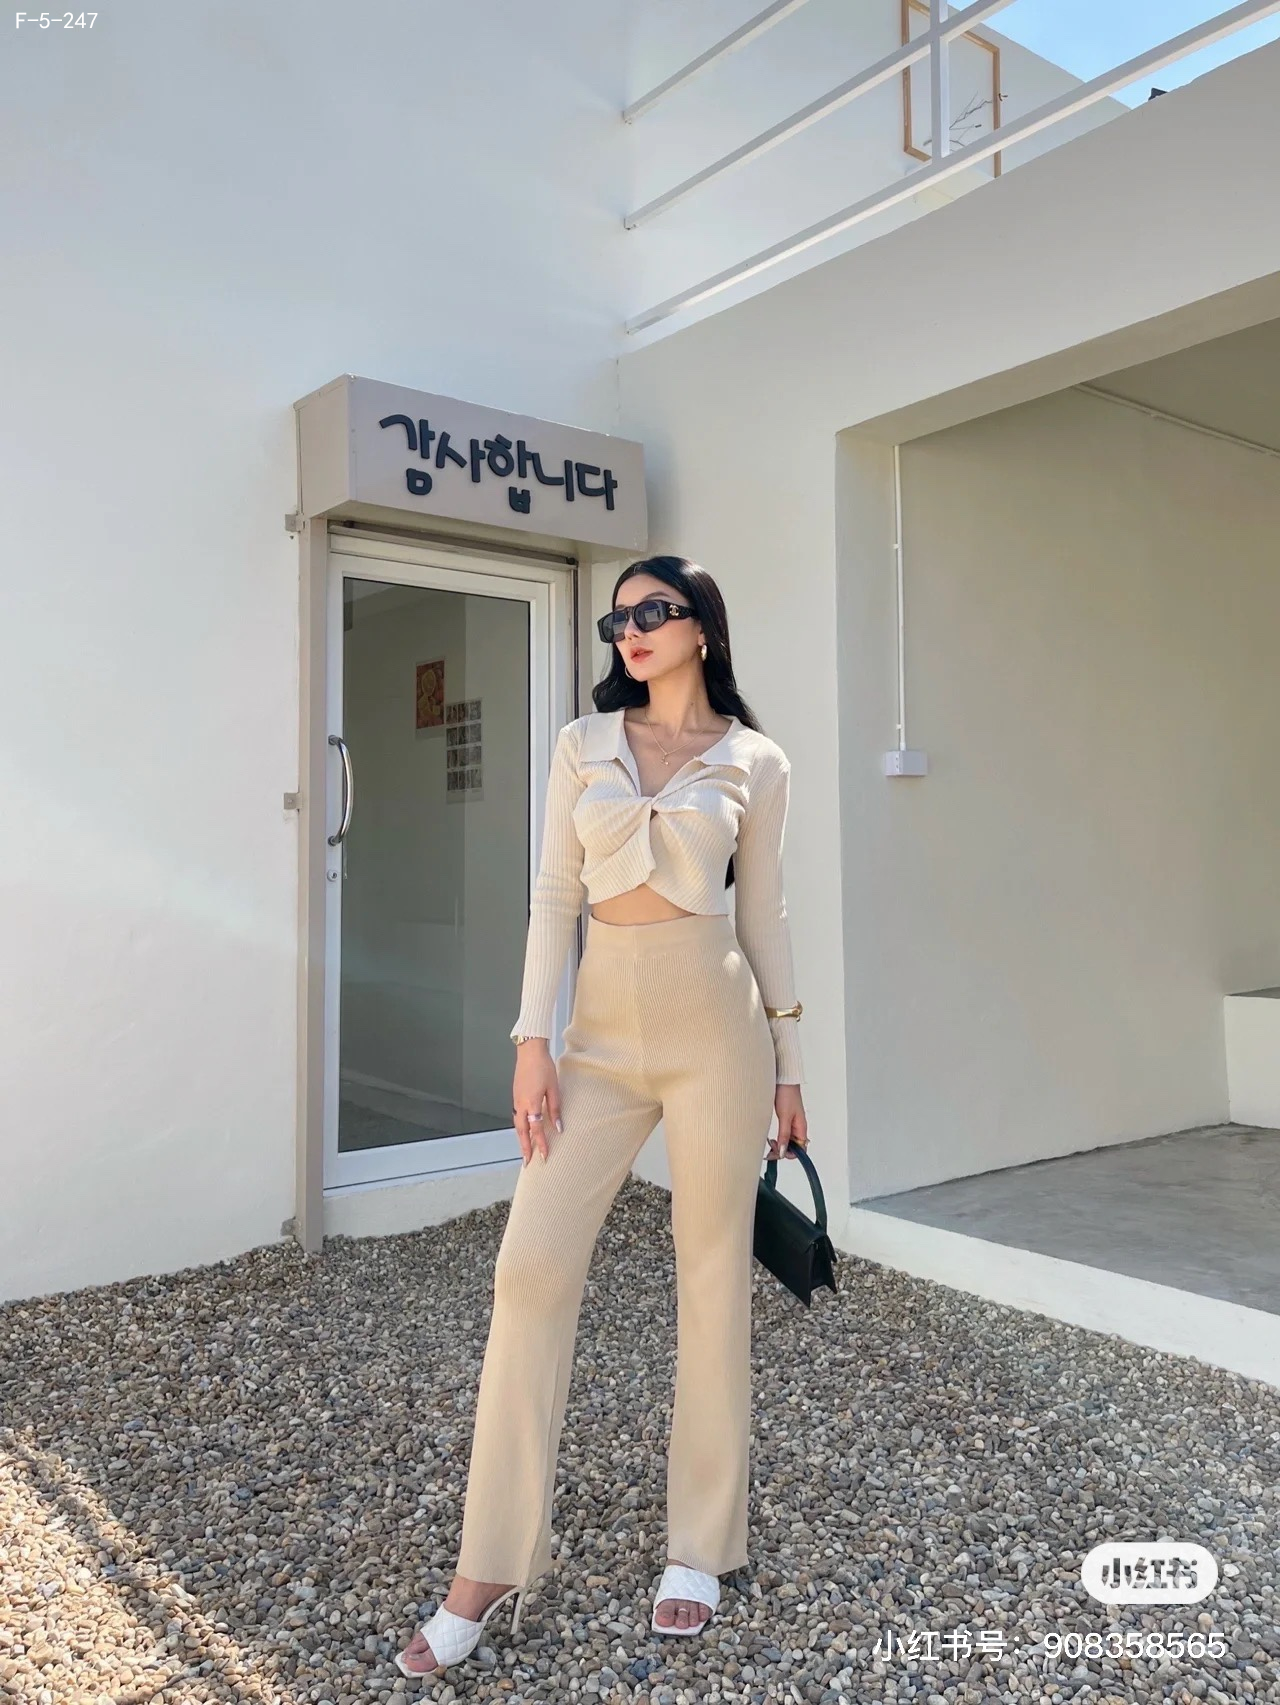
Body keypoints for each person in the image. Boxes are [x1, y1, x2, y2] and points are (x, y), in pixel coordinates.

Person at [396, 554, 809, 1678]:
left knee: (711, 1275)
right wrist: (531, 1039)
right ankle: (490, 1562)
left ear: (701, 627)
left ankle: (700, 1544)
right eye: (617, 617)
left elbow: (764, 916)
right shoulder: (583, 743)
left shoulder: (756, 760)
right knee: (528, 1270)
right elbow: (553, 896)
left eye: (652, 611)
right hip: (598, 1042)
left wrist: (788, 1066)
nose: (630, 629)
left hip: (717, 1032)